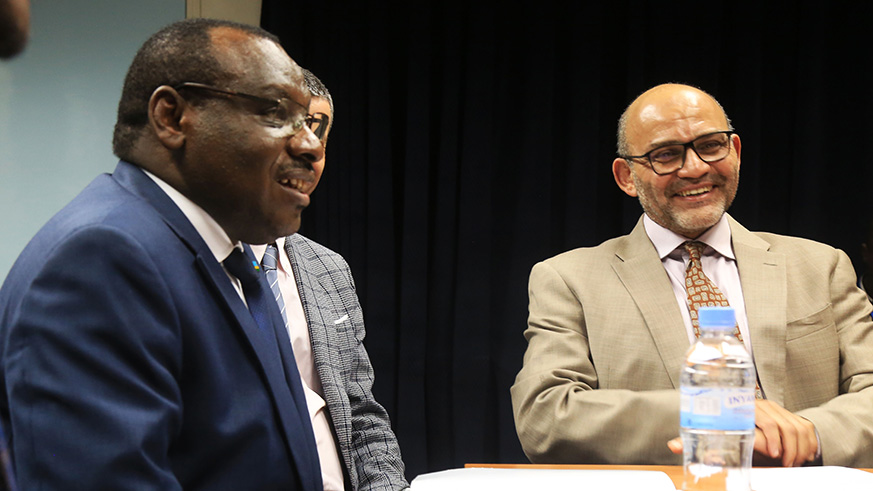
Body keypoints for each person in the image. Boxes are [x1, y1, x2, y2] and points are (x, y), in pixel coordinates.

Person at [0, 18, 327, 489]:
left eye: (311, 123)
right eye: (276, 112)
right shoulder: (103, 258)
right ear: (172, 117)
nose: (311, 146)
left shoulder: (234, 252)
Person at [511, 83, 873, 468]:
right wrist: (712, 412)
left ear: (734, 152)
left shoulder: (821, 265)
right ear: (627, 177)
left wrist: (810, 433)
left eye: (711, 145)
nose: (696, 167)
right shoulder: (569, 279)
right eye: (665, 155)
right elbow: (544, 416)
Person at [249, 69, 408, 490]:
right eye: (287, 138)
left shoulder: (328, 268)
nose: (304, 158)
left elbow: (360, 414)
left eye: (316, 144)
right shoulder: (189, 262)